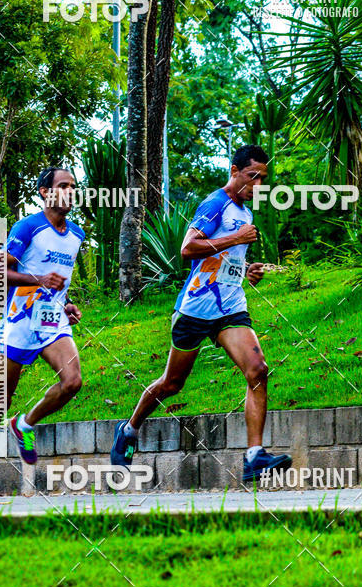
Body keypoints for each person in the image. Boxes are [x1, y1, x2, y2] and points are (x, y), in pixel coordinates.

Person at [111, 144, 292, 484]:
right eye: (252, 176)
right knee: (172, 384)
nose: (258, 185)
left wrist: (246, 270)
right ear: (234, 171)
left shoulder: (246, 214)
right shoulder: (215, 204)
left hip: (230, 306)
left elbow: (223, 261)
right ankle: (130, 429)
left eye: (263, 179)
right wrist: (235, 238)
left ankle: (254, 457)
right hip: (195, 308)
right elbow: (188, 248)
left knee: (258, 370)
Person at [0, 166, 84, 498]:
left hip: (51, 320)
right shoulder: (28, 226)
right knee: (2, 399)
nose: (70, 191)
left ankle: (25, 424)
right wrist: (38, 280)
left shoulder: (76, 234)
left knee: (73, 381)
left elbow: (58, 281)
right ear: (45, 192)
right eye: (63, 185)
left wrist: (66, 304)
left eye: (73, 186)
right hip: (20, 320)